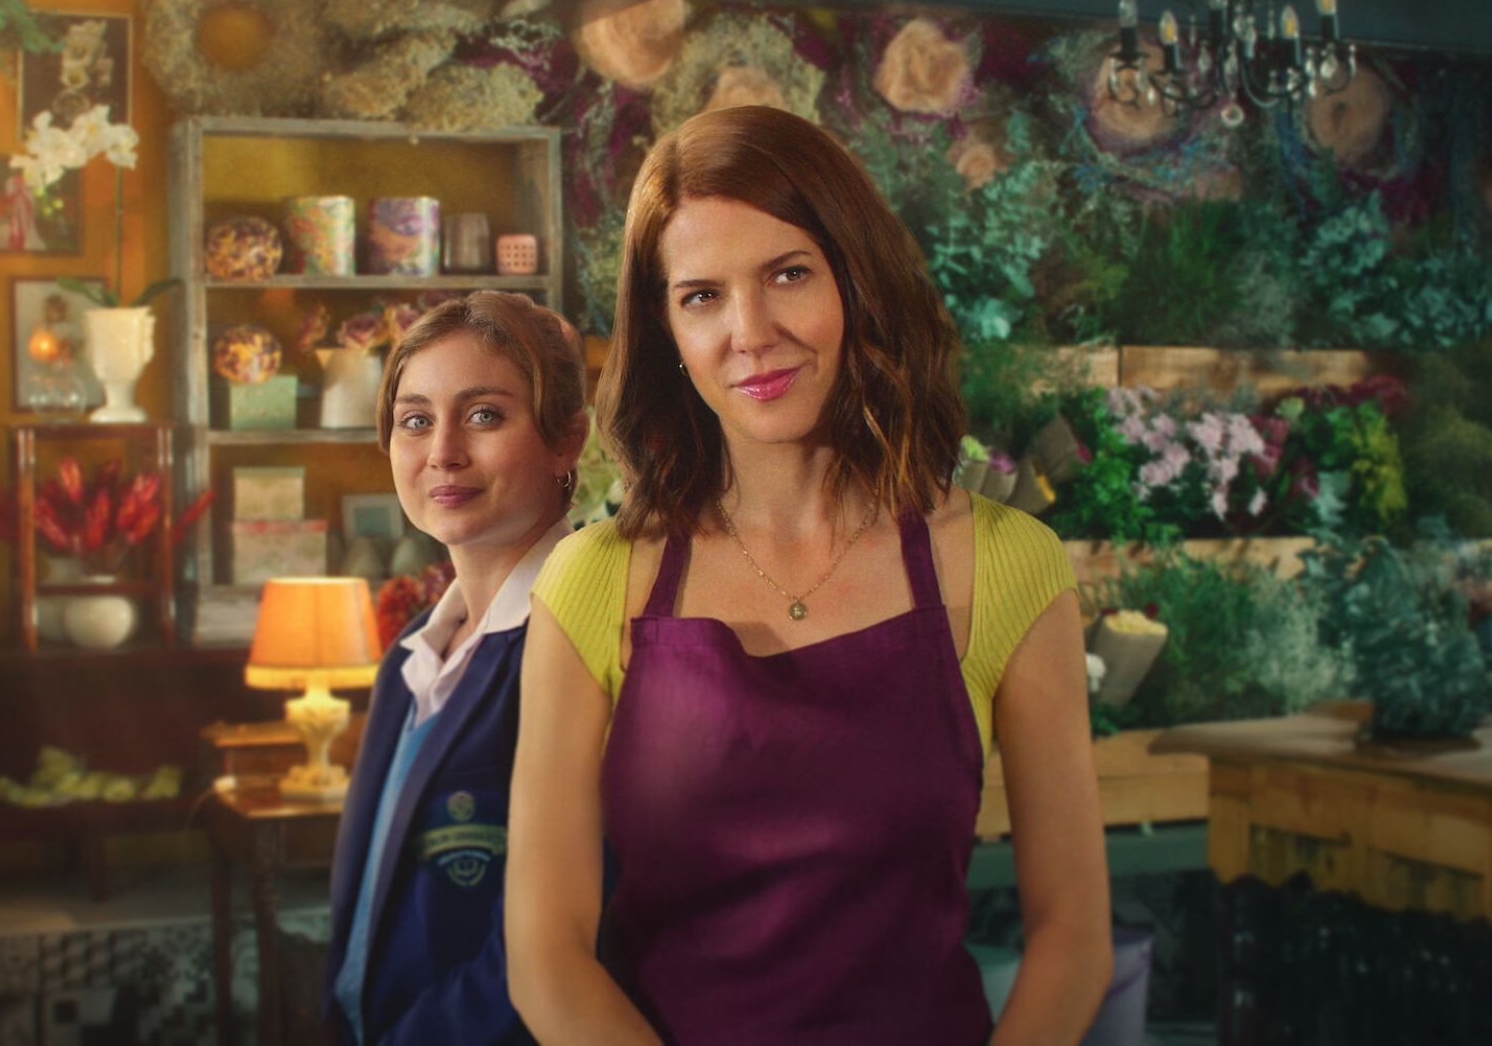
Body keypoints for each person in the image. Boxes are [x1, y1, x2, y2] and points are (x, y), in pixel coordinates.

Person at [507, 105, 1113, 1044]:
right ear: (665, 329)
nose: (749, 332)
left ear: (857, 282)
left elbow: (1073, 938)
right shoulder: (593, 579)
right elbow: (545, 959)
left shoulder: (1007, 563)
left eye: (788, 274)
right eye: (701, 296)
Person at [327, 290, 589, 1045]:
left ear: (567, 439)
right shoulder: (413, 652)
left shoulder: (581, 645)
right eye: (415, 420)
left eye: (483, 415)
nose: (442, 451)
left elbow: (569, 945)